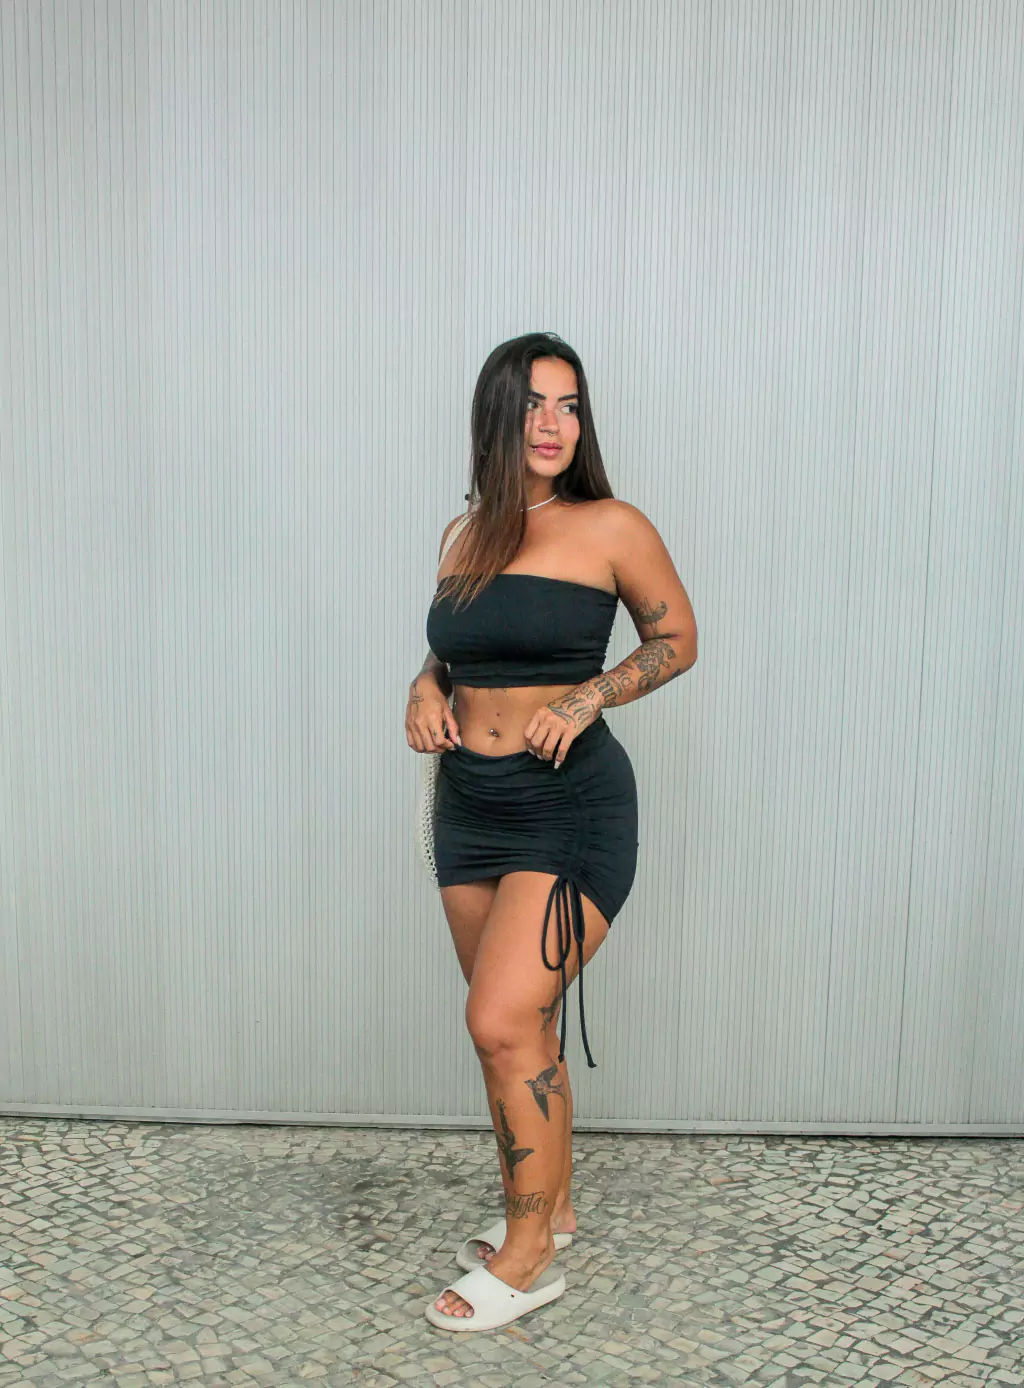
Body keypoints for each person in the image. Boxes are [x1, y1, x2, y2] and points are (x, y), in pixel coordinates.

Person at [406, 331, 698, 1332]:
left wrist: (589, 694)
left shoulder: (611, 524)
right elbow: (454, 652)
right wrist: (423, 685)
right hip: (468, 806)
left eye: (570, 405)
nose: (553, 423)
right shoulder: (463, 534)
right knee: (518, 1028)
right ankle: (552, 1210)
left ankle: (527, 1256)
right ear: (497, 414)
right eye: (534, 402)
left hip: (567, 806)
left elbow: (675, 638)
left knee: (498, 1019)